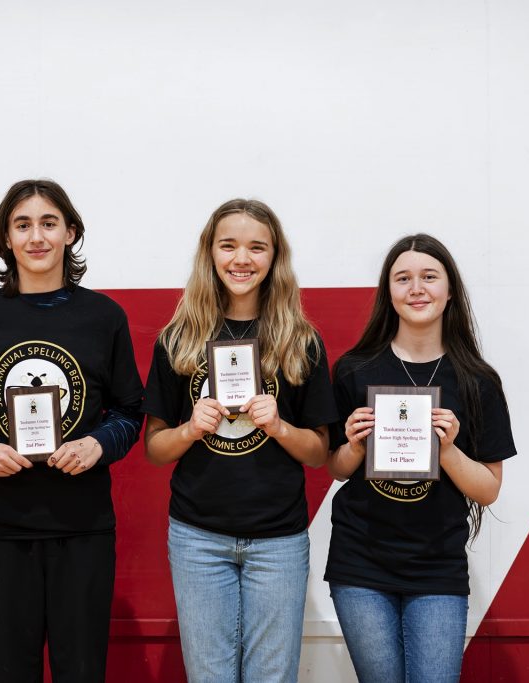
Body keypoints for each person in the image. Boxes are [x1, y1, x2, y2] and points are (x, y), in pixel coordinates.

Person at [0, 179, 144, 682]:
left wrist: (97, 443)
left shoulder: (104, 316)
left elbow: (130, 413)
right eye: (22, 225)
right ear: (6, 238)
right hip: (3, 527)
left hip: (83, 526)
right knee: (11, 672)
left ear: (70, 232)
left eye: (49, 223)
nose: (37, 236)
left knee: (82, 671)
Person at [141, 199, 337, 683]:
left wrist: (279, 426)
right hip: (197, 539)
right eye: (228, 245)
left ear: (275, 258)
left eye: (257, 247)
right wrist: (190, 427)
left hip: (279, 541)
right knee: (210, 676)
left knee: (272, 676)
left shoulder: (301, 340)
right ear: (210, 253)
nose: (241, 259)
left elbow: (319, 454)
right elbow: (154, 448)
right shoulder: (178, 338)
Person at [325, 234, 516, 683]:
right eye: (403, 278)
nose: (417, 288)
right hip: (360, 563)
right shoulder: (355, 369)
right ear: (387, 292)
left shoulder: (477, 380)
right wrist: (352, 446)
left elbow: (488, 489)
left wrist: (447, 449)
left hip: (437, 566)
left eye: (429, 277)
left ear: (450, 292)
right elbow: (335, 469)